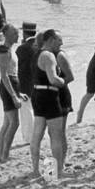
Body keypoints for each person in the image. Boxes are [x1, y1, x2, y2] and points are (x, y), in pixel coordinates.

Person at [29, 28, 71, 178]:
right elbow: (53, 79)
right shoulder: (49, 56)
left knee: (37, 133)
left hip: (37, 94)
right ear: (51, 40)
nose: (61, 43)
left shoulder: (36, 54)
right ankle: (57, 171)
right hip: (49, 95)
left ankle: (35, 169)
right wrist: (62, 81)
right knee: (56, 135)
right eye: (59, 40)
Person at [0, 25, 26, 162]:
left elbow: (13, 72)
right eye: (14, 33)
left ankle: (1, 155)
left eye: (17, 33)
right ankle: (4, 155)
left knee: (7, 123)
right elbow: (4, 76)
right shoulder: (3, 51)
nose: (17, 36)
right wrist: (13, 96)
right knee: (14, 123)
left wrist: (19, 93)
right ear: (6, 34)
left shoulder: (11, 50)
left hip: (13, 85)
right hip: (7, 87)